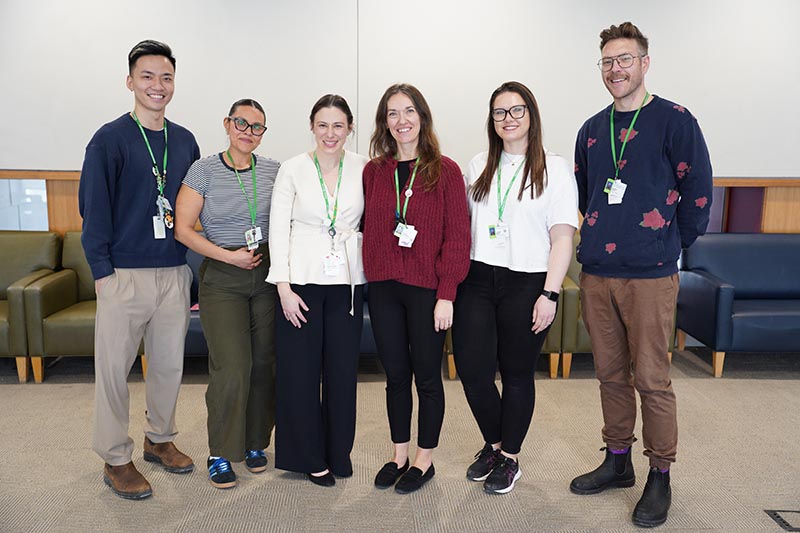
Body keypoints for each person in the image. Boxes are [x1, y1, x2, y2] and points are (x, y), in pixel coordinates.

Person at [569, 22, 713, 528]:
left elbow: (697, 195)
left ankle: (659, 473)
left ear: (645, 63)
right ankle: (617, 461)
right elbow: (587, 192)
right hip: (598, 272)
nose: (616, 69)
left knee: (651, 378)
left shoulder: (675, 121)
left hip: (651, 274)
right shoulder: (591, 128)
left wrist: (669, 245)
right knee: (609, 373)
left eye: (625, 59)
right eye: (607, 61)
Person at [79, 40, 200, 500]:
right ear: (130, 82)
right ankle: (115, 458)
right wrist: (103, 272)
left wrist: (192, 269)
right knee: (113, 372)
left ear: (174, 84)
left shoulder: (185, 140)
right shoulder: (109, 139)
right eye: (147, 76)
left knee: (168, 366)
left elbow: (193, 209)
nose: (157, 85)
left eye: (166, 77)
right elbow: (94, 209)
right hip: (122, 275)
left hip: (173, 272)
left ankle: (159, 439)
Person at [453, 81, 578, 494]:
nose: (508, 119)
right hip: (476, 278)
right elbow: (460, 227)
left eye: (516, 110)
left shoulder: (554, 168)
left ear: (532, 115)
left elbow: (563, 237)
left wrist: (551, 294)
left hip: (527, 281)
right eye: (499, 112)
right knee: (472, 370)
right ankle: (493, 444)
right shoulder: (477, 165)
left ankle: (510, 458)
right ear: (491, 120)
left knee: (518, 373)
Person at [363, 83, 470, 494]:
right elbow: (368, 229)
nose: (401, 120)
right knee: (394, 376)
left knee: (427, 377)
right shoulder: (374, 171)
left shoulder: (445, 171)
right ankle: (399, 454)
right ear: (384, 123)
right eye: (392, 113)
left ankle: (424, 460)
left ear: (422, 118)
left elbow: (458, 238)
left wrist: (447, 294)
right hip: (385, 287)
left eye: (409, 111)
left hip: (427, 290)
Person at [174, 99, 279, 489]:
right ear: (227, 124)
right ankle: (220, 452)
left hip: (266, 273)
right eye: (241, 123)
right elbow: (183, 229)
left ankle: (254, 443)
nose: (248, 131)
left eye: (257, 127)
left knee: (265, 363)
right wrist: (228, 257)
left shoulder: (273, 170)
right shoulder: (203, 169)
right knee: (232, 367)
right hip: (223, 274)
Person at [266, 94, 368, 487]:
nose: (330, 133)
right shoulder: (292, 169)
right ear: (312, 126)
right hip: (301, 282)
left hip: (347, 283)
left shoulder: (363, 167)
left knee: (342, 375)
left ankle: (337, 453)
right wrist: (283, 287)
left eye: (338, 126)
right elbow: (278, 228)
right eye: (323, 125)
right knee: (300, 374)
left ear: (350, 129)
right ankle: (308, 457)